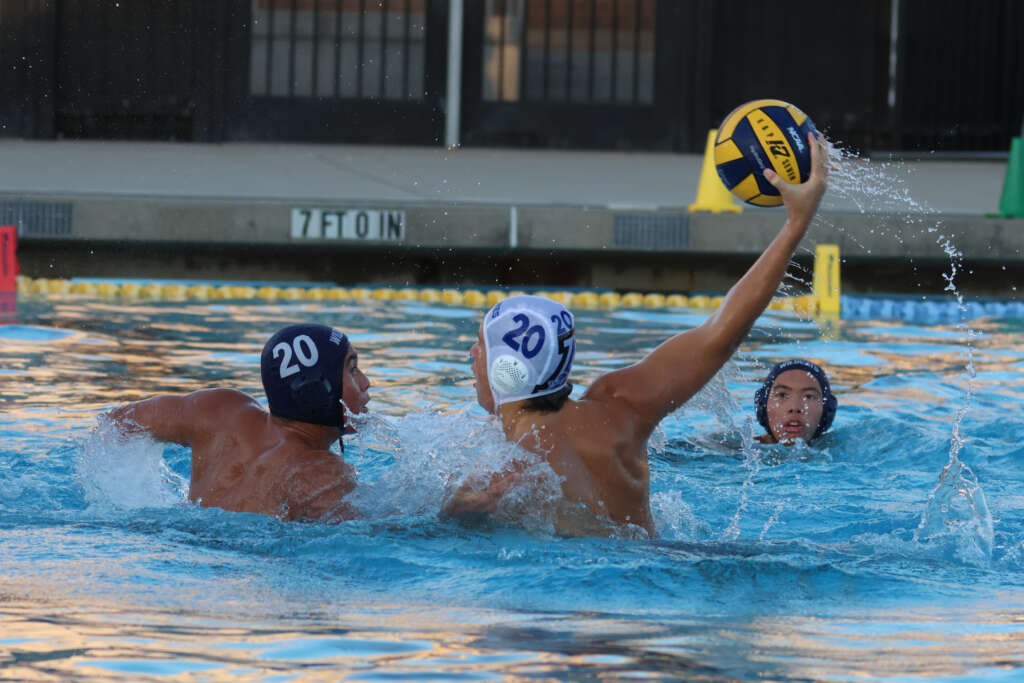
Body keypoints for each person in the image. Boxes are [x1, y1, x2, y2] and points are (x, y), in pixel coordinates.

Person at [442, 133, 829, 537]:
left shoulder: (505, 473)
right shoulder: (618, 407)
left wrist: (453, 516)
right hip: (667, 563)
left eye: (482, 345)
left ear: (508, 370)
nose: (472, 354)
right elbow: (720, 334)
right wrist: (796, 224)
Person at [106, 323, 371, 521]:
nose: (365, 382)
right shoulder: (323, 473)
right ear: (318, 391)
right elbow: (367, 542)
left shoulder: (221, 411)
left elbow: (117, 422)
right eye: (351, 369)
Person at [754, 359, 837, 445]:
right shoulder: (742, 448)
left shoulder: (844, 446)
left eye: (809, 396)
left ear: (827, 409)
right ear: (763, 405)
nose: (795, 407)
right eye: (782, 395)